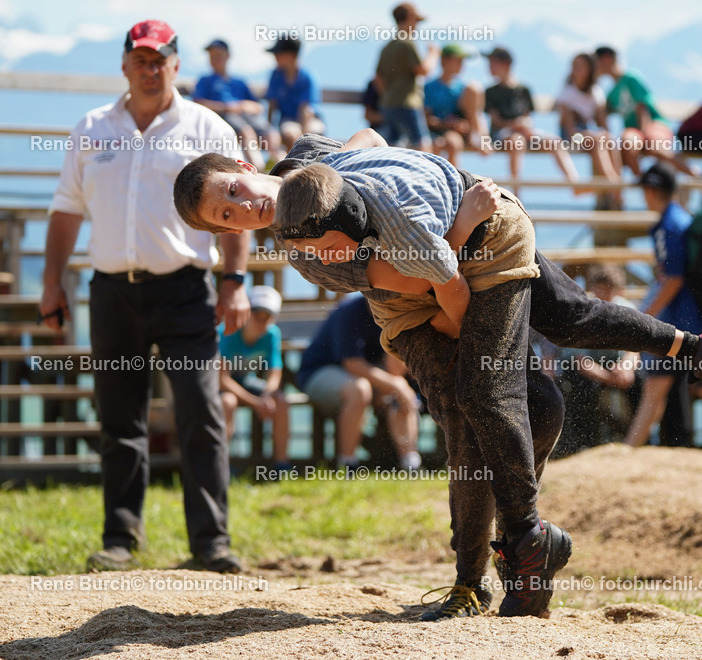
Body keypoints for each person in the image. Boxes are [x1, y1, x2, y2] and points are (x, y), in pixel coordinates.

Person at [172, 131, 702, 620]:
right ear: (231, 237)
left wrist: (422, 183)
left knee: (532, 362)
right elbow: (435, 288)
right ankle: (480, 573)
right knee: (484, 401)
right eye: (226, 218)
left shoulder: (314, 160)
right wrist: (460, 237)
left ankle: (524, 543)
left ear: (247, 166)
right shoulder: (306, 252)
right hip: (424, 293)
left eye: (233, 191)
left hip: (479, 236)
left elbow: (373, 140)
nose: (242, 208)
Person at [39, 19, 250, 574]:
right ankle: (119, 539)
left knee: (200, 414)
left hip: (185, 291)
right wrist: (50, 281)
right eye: (141, 59)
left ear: (176, 65)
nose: (150, 69)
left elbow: (240, 209)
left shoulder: (208, 128)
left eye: (160, 60)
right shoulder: (91, 127)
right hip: (111, 292)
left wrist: (234, 281)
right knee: (119, 418)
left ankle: (211, 543)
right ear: (125, 65)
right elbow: (66, 208)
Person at [625, 164, 702, 448]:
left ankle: (629, 450)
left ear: (652, 191)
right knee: (682, 384)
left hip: (682, 320)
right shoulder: (679, 218)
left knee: (694, 385)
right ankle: (630, 449)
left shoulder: (668, 224)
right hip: (692, 319)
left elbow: (674, 279)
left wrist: (648, 315)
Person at [296, 294, 422, 471]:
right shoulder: (349, 310)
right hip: (320, 372)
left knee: (397, 390)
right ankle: (348, 465)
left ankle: (410, 464)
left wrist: (394, 383)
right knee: (361, 389)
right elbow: (352, 364)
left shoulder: (397, 309)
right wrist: (395, 384)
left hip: (366, 375)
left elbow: (396, 363)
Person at [551, 264, 641, 457]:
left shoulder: (627, 308)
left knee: (645, 380)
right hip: (587, 369)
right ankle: (582, 445)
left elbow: (635, 350)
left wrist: (627, 367)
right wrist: (610, 378)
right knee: (577, 385)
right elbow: (579, 360)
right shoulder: (584, 310)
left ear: (617, 290)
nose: (604, 294)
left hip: (616, 367)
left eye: (608, 289)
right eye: (600, 288)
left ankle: (638, 441)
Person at [484, 46, 579, 192]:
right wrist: (516, 125)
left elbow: (528, 116)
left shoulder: (524, 90)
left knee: (554, 141)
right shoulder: (490, 91)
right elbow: (496, 122)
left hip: (524, 131)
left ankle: (574, 184)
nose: (489, 67)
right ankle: (516, 192)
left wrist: (526, 126)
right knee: (517, 142)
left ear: (506, 64)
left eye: (493, 62)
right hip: (502, 135)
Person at [219, 286, 289, 470]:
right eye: (257, 314)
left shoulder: (272, 334)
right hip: (218, 387)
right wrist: (255, 402)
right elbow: (222, 379)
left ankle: (282, 466)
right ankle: (221, 467)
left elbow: (275, 372)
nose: (261, 321)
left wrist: (267, 395)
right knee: (228, 402)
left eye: (267, 317)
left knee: (280, 400)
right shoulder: (227, 330)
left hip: (244, 381)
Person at [192, 38, 281, 168]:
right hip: (223, 116)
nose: (214, 58)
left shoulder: (239, 82)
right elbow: (198, 103)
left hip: (245, 115)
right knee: (245, 132)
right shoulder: (205, 81)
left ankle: (281, 168)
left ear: (227, 56)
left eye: (218, 55)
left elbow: (258, 106)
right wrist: (227, 108)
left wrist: (245, 106)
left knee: (270, 133)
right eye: (212, 55)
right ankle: (260, 170)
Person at [593, 46, 680, 177]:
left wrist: (644, 135)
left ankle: (691, 173)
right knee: (626, 147)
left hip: (654, 124)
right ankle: (644, 181)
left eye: (595, 62)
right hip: (634, 132)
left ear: (606, 59)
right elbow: (601, 116)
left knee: (654, 146)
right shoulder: (611, 94)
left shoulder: (631, 77)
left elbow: (642, 109)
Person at [375, 3, 439, 151]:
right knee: (422, 145)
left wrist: (390, 94)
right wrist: (433, 53)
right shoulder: (407, 44)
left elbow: (378, 78)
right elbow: (423, 70)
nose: (417, 26)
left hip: (388, 104)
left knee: (392, 145)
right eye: (417, 21)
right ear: (410, 18)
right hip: (408, 104)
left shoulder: (387, 47)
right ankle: (426, 174)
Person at [555, 53, 621, 194]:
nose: (576, 70)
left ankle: (613, 184)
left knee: (609, 139)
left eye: (580, 66)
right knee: (598, 139)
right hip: (572, 137)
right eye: (574, 66)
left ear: (589, 70)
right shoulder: (567, 93)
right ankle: (613, 185)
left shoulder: (596, 92)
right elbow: (571, 131)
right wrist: (594, 134)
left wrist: (604, 135)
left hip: (588, 134)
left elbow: (604, 125)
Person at [424, 43, 489, 168]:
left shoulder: (463, 88)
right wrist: (446, 124)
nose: (462, 64)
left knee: (453, 142)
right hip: (436, 133)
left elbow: (476, 114)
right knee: (447, 142)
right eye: (458, 60)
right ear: (444, 61)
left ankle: (479, 138)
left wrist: (464, 125)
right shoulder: (430, 87)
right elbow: (426, 119)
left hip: (458, 133)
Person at [266, 37, 326, 152]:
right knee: (290, 133)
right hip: (287, 119)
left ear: (290, 55)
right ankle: (293, 167)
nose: (275, 57)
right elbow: (272, 104)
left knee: (312, 134)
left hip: (310, 119)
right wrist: (269, 129)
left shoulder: (307, 76)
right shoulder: (276, 75)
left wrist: (304, 134)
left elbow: (306, 109)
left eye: (278, 54)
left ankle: (305, 165)